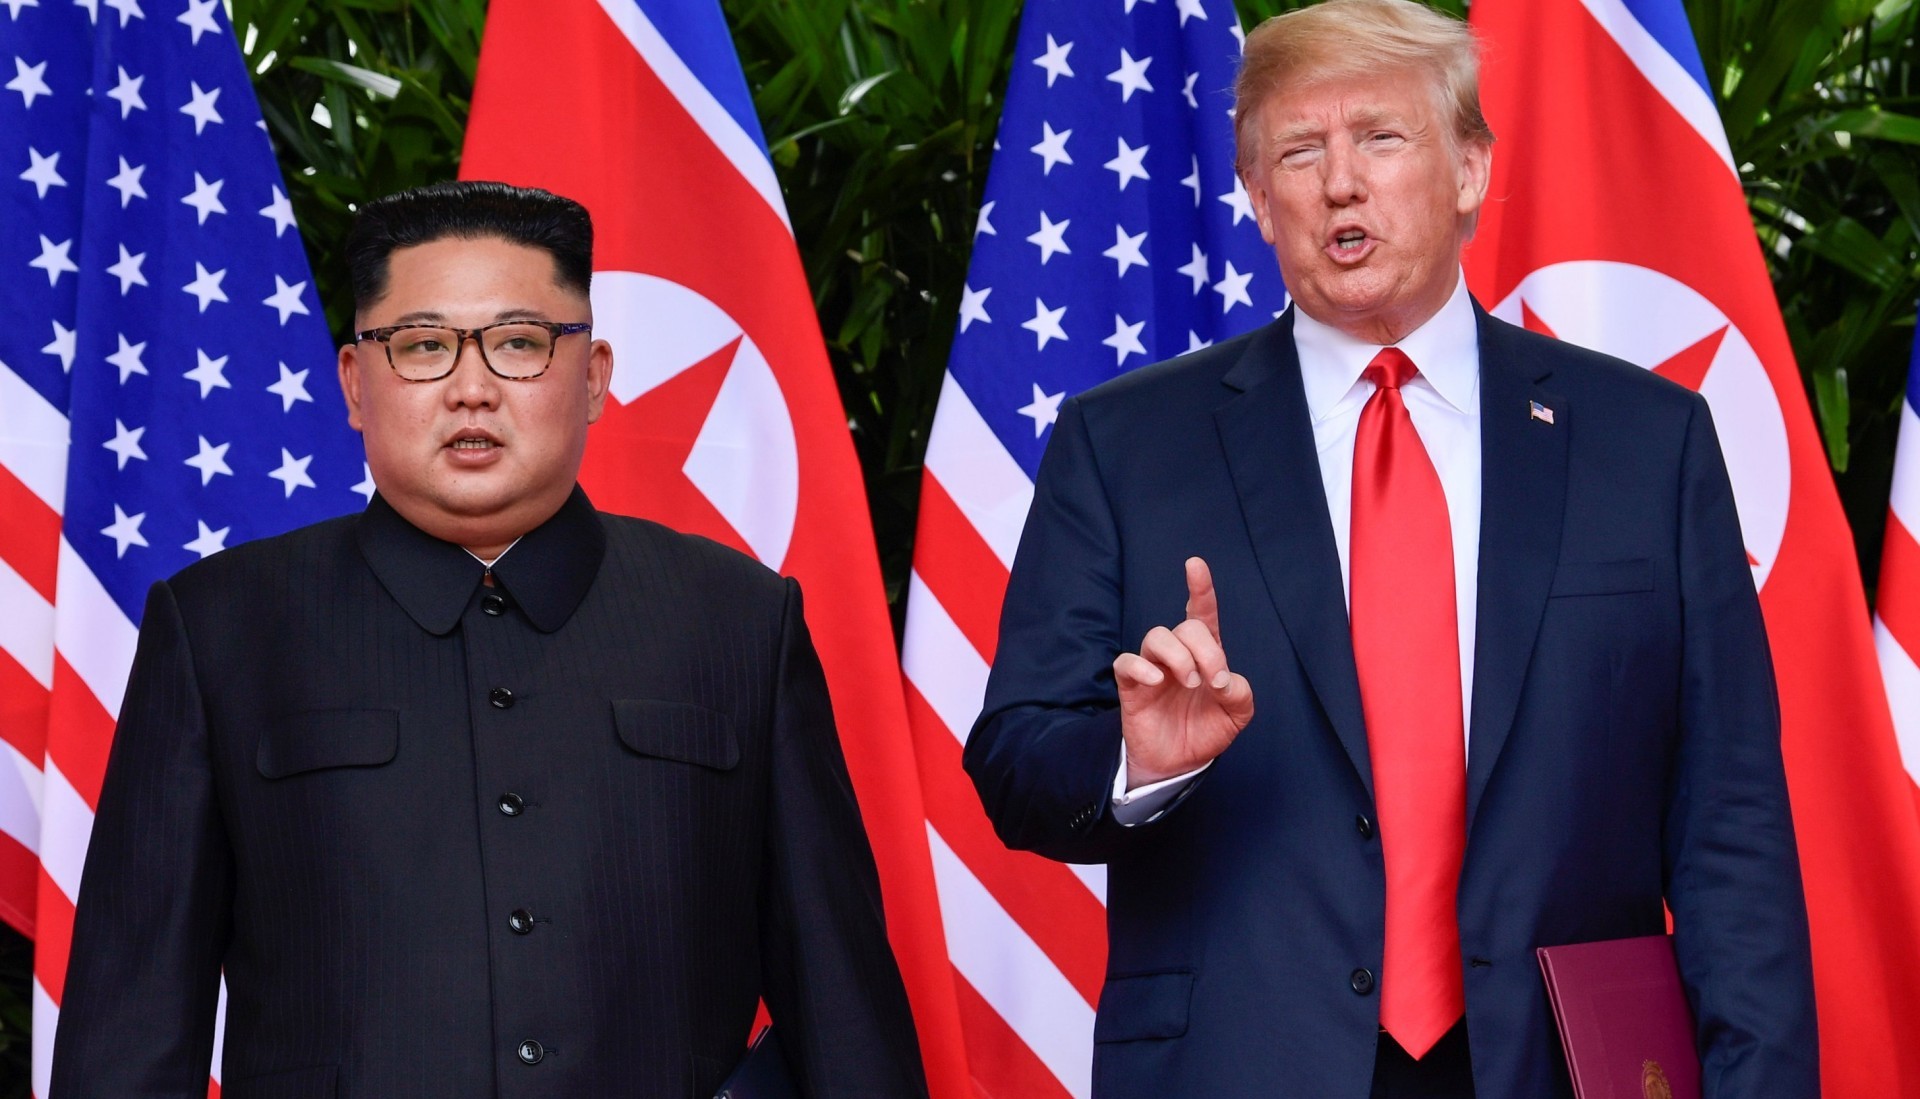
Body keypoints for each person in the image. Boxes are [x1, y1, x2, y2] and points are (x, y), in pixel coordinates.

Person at [963, 2, 1817, 1097]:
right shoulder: (1123, 444)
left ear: (1469, 169)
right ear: (1259, 202)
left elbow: (1731, 827)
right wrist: (1142, 761)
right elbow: (1016, 754)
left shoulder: (1649, 444)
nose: (1340, 183)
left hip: (1556, 1065)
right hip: (1242, 1064)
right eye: (1298, 153)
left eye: (1380, 137)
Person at [51, 181, 928, 1098]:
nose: (472, 389)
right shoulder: (224, 627)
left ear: (591, 379)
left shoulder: (738, 621)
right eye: (423, 345)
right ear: (355, 383)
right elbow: (133, 1033)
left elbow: (845, 1020)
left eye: (518, 344)